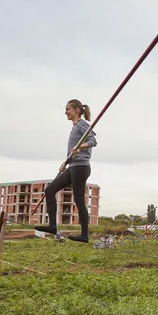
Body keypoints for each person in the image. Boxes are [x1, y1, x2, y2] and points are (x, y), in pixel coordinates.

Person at [35, 99, 97, 243]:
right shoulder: (75, 127)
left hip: (81, 167)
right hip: (72, 166)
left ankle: (84, 235)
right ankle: (52, 226)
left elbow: (93, 141)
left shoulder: (82, 125)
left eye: (68, 109)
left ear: (76, 110)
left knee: (79, 200)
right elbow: (73, 151)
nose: (65, 112)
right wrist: (66, 162)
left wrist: (80, 147)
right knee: (50, 190)